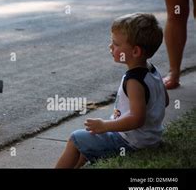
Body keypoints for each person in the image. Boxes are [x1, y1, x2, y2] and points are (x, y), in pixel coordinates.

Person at [56, 13, 169, 168]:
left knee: (76, 138)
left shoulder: (134, 81)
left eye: (115, 44)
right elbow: (165, 100)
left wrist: (105, 126)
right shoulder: (152, 70)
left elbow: (137, 119)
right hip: (149, 138)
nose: (111, 47)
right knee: (88, 139)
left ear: (135, 51)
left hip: (132, 142)